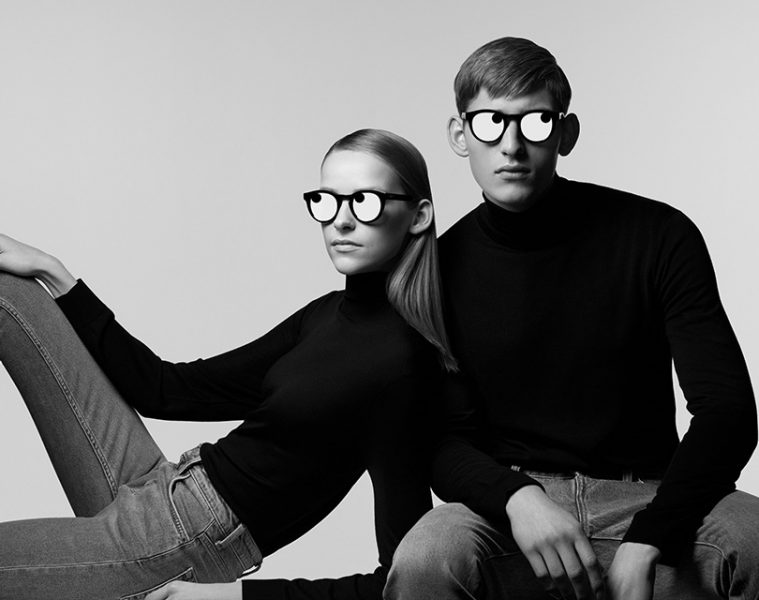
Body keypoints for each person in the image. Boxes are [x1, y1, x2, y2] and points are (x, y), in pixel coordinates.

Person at [0, 128, 455, 600]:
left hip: (183, 542)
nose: (340, 221)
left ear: (418, 215)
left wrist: (232, 597)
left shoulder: (401, 367)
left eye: (364, 201)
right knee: (12, 292)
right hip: (163, 484)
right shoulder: (325, 315)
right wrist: (54, 273)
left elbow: (399, 581)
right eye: (327, 201)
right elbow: (164, 389)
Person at [385, 37, 759, 600]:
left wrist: (651, 535)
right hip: (510, 510)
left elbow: (727, 412)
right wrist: (518, 499)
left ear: (566, 133)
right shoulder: (434, 268)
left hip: (651, 496)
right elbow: (437, 437)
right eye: (490, 122)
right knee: (429, 555)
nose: (512, 145)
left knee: (753, 537)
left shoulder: (658, 235)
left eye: (535, 122)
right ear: (460, 135)